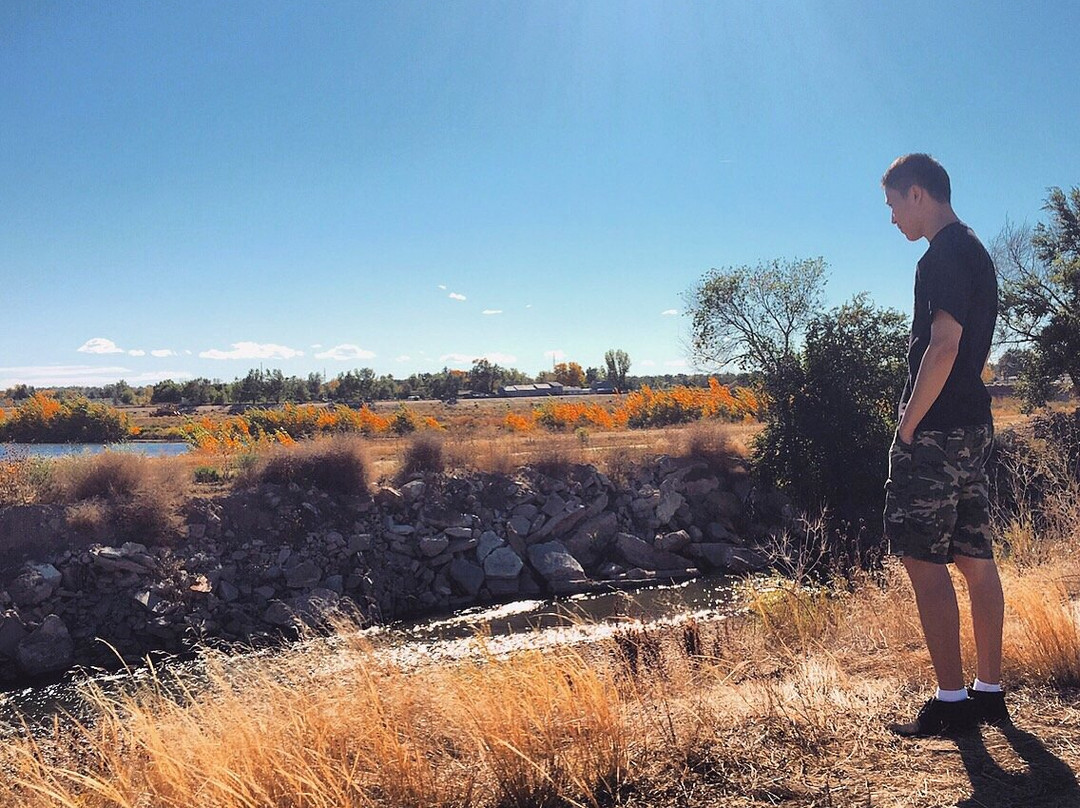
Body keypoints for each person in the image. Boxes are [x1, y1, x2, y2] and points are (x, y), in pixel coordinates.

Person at [881, 153, 1009, 737]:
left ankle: (952, 701)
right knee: (975, 559)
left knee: (924, 563)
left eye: (891, 204)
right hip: (974, 427)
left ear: (917, 193)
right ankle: (988, 692)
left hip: (936, 434)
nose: (892, 220)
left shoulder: (941, 257)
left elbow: (945, 345)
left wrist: (907, 426)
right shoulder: (977, 252)